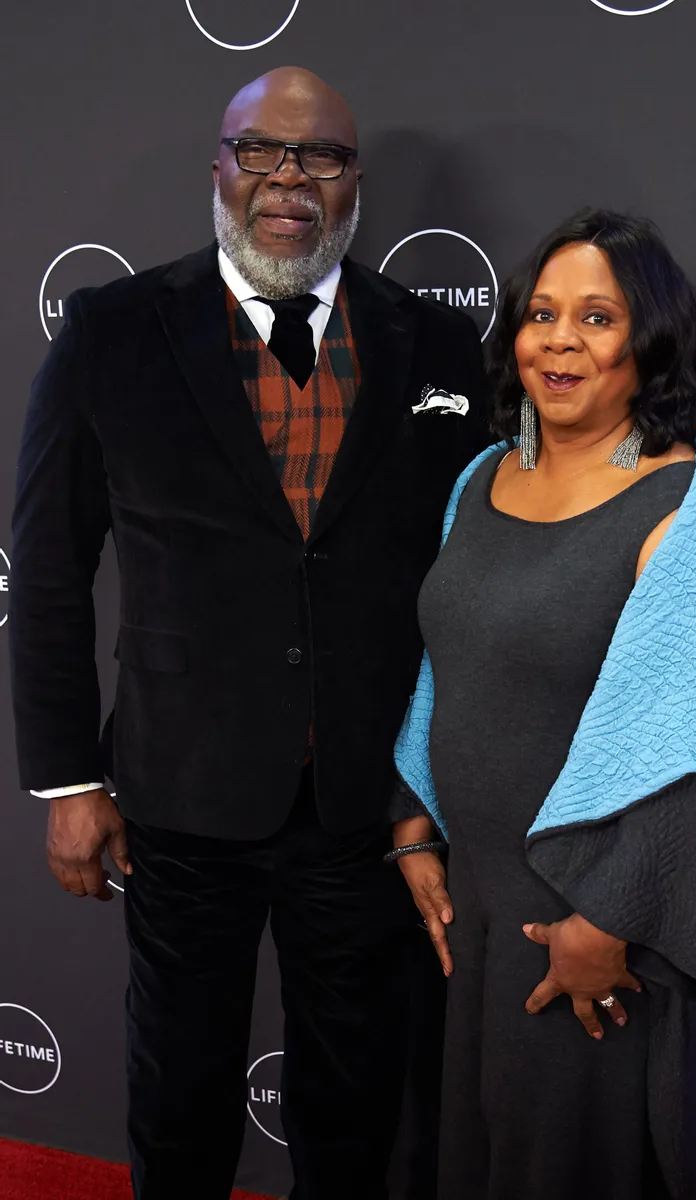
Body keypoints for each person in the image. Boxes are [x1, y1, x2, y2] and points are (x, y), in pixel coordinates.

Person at [10, 67, 488, 1200]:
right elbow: (47, 571)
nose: (290, 179)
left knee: (354, 1102)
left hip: (366, 805)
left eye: (319, 156)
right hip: (179, 795)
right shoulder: (110, 333)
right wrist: (67, 782)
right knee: (176, 1093)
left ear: (353, 180)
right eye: (261, 152)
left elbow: (473, 569)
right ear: (218, 169)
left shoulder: (430, 343)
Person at [389, 209, 696, 1200]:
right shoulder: (482, 475)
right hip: (481, 899)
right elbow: (452, 660)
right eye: (540, 313)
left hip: (588, 929)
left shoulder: (695, 506)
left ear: (647, 345)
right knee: (482, 1154)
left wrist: (606, 917)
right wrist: (413, 818)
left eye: (596, 317)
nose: (558, 339)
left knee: (574, 1167)